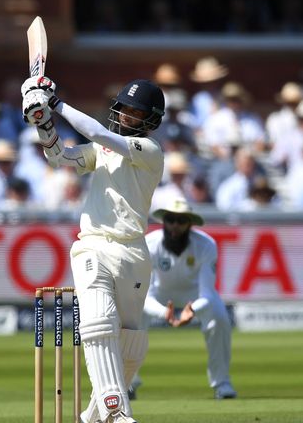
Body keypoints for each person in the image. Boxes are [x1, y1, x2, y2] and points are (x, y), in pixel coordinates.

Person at [21, 75, 165, 423]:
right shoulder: (103, 152)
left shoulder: (150, 151)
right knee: (99, 322)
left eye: (135, 112)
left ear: (150, 120)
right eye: (124, 108)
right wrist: (43, 123)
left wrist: (55, 103)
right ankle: (117, 414)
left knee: (132, 344)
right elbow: (61, 158)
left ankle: (91, 417)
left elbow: (100, 134)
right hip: (93, 246)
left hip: (133, 252)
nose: (126, 115)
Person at [129, 197, 236, 400]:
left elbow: (206, 293)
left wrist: (192, 310)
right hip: (159, 293)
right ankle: (129, 381)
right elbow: (144, 294)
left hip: (194, 294)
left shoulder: (206, 245)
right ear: (164, 221)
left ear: (190, 223)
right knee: (132, 315)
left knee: (220, 318)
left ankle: (222, 383)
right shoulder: (150, 244)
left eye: (181, 221)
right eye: (170, 220)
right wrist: (164, 312)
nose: (175, 226)